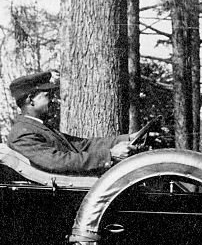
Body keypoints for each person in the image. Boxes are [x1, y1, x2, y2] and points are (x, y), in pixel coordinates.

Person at [7, 70, 136, 175]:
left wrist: (129, 138)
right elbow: (58, 161)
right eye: (48, 96)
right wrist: (110, 155)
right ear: (31, 100)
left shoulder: (39, 127)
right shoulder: (22, 133)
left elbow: (82, 145)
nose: (53, 100)